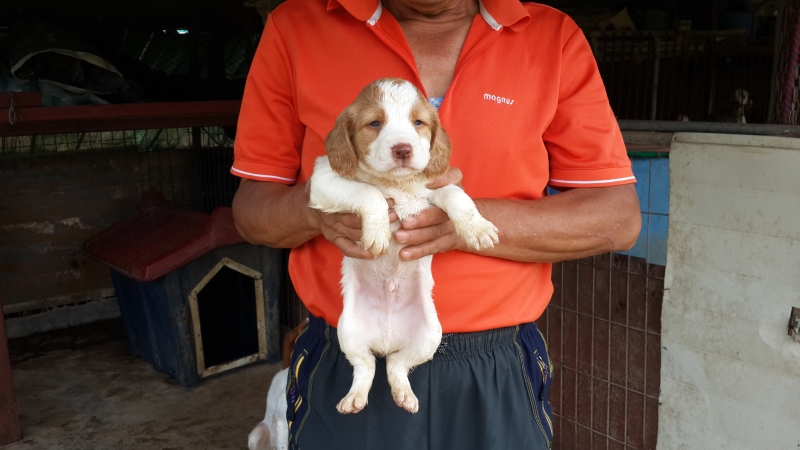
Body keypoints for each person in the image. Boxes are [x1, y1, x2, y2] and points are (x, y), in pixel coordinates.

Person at [230, 0, 641, 447]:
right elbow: (251, 213)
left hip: (495, 366)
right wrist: (317, 209)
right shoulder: (297, 27)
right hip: (348, 355)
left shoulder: (551, 37)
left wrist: (460, 223)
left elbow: (618, 218)